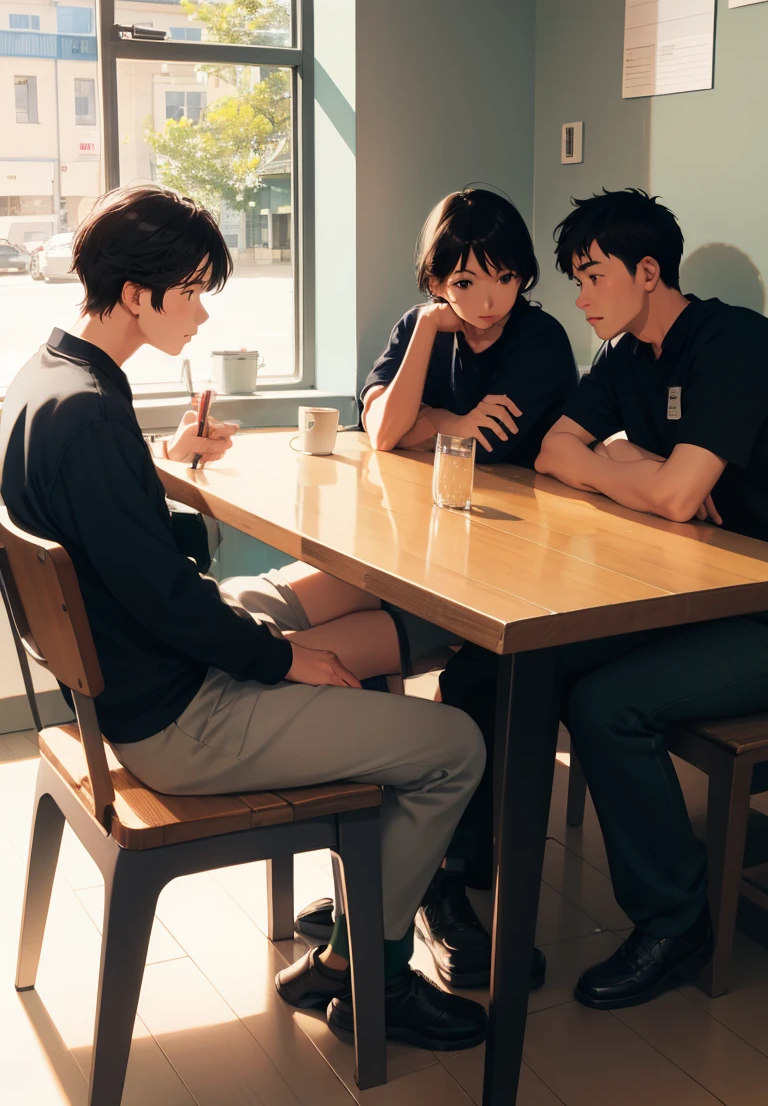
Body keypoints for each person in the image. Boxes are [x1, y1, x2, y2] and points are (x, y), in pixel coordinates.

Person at [0, 183, 488, 1052]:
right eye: (190, 291)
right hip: (173, 714)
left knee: (348, 594)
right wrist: (281, 660)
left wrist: (164, 462)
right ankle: (363, 967)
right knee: (455, 748)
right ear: (141, 292)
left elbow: (129, 552)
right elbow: (170, 599)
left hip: (135, 669)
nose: (199, 313)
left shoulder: (48, 378)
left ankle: (370, 842)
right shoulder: (88, 415)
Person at [297, 188, 578, 992]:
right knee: (380, 639)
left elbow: (488, 445)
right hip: (436, 546)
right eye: (461, 284)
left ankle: (444, 871)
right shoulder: (422, 326)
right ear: (436, 286)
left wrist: (433, 420)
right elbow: (385, 433)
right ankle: (401, 866)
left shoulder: (541, 338)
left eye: (499, 279)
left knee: (477, 679)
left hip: (526, 554)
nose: (484, 301)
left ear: (523, 274)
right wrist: (427, 344)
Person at [532, 186, 768, 1009]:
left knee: (606, 705)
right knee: (540, 662)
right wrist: (642, 473)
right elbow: (554, 453)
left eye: (592, 276)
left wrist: (650, 481)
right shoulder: (622, 357)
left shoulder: (734, 340)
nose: (581, 295)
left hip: (760, 607)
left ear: (648, 270)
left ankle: (676, 920)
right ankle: (463, 868)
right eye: (575, 279)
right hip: (706, 592)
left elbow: (675, 500)